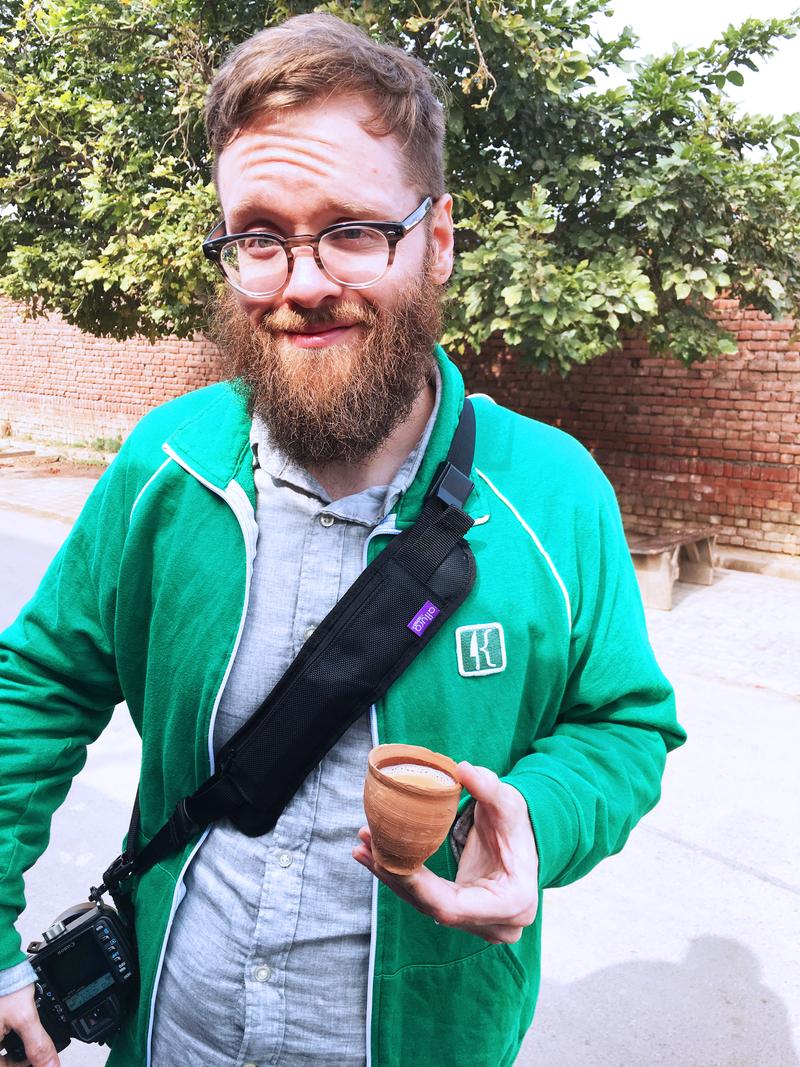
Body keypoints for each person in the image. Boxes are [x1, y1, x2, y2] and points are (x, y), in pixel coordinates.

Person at [0, 13, 686, 1067]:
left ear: (439, 238)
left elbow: (623, 725)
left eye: (352, 230)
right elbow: (34, 690)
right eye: (260, 236)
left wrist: (537, 819)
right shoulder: (165, 464)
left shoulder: (552, 494)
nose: (302, 280)